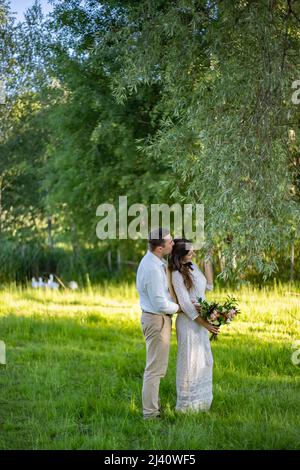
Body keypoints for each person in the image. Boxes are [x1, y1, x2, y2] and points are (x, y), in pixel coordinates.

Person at [168, 238, 219, 412]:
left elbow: (209, 287)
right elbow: (186, 305)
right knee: (189, 361)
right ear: (181, 256)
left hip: (201, 321)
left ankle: (202, 403)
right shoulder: (176, 274)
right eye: (190, 253)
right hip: (189, 323)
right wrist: (206, 324)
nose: (194, 254)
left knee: (204, 360)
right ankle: (186, 406)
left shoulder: (193, 266)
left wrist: (207, 261)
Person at [136, 227, 180, 420]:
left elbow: (162, 294)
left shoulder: (155, 262)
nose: (173, 243)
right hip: (156, 320)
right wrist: (180, 308)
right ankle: (151, 414)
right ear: (159, 248)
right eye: (170, 242)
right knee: (154, 370)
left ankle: (153, 409)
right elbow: (159, 303)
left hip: (157, 318)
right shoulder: (152, 268)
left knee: (156, 369)